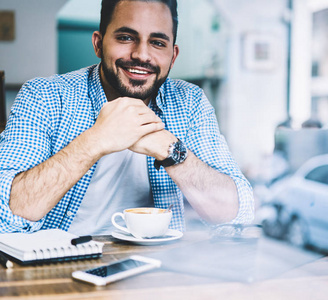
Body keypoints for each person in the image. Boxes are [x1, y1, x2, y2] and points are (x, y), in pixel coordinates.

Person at [0, 0, 253, 234]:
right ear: (98, 43)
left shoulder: (190, 102)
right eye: (126, 37)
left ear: (173, 56)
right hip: (60, 270)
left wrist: (172, 152)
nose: (142, 55)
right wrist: (94, 141)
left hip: (159, 271)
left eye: (157, 42)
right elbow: (6, 214)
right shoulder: (44, 95)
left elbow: (236, 213)